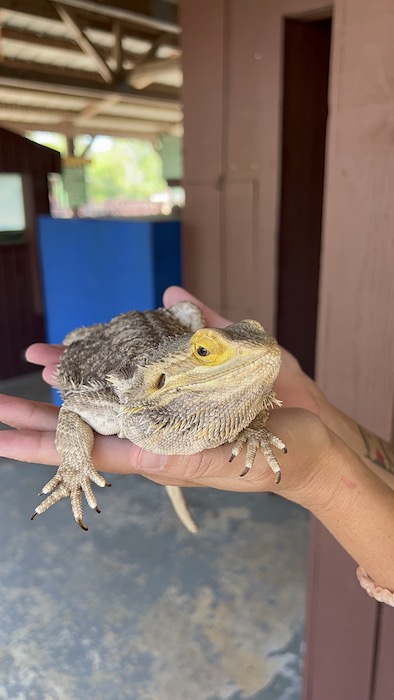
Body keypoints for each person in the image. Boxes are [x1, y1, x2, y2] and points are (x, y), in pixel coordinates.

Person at [0, 286, 393, 605]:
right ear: (159, 383)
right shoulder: (119, 405)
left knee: (187, 313)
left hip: (164, 334)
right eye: (204, 353)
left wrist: (313, 466)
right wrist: (74, 465)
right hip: (116, 346)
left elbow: (254, 394)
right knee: (81, 340)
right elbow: (72, 411)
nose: (265, 351)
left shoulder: (241, 392)